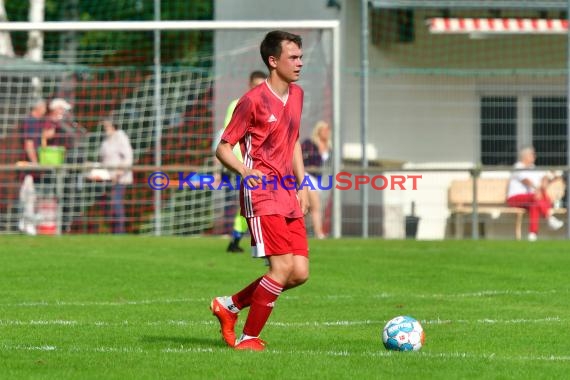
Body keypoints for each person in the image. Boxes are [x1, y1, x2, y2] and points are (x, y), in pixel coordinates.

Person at [211, 30, 309, 351]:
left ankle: (229, 306)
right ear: (273, 60)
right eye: (292, 57)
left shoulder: (297, 95)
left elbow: (292, 140)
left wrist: (302, 184)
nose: (299, 63)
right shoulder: (251, 101)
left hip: (287, 192)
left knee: (298, 273)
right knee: (281, 269)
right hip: (262, 193)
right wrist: (243, 170)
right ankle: (248, 338)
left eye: (300, 57)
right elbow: (223, 148)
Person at [223, 70, 268, 253]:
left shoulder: (267, 107)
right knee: (251, 203)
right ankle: (257, 243)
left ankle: (237, 241)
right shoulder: (238, 104)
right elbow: (229, 135)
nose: (259, 88)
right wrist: (239, 164)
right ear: (249, 85)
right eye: (255, 85)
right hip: (242, 164)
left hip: (259, 165)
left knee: (251, 204)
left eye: (261, 85)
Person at [506, 146, 564, 241]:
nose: (535, 156)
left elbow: (544, 177)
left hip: (531, 199)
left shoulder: (533, 168)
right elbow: (526, 181)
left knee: (535, 205)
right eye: (532, 154)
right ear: (525, 156)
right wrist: (537, 189)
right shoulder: (518, 167)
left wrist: (545, 180)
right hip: (514, 198)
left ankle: (532, 234)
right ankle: (549, 218)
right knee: (536, 198)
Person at [99, 120, 133, 234]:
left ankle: (120, 232)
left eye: (107, 126)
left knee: (116, 202)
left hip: (119, 178)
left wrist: (119, 172)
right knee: (108, 205)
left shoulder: (120, 137)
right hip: (108, 178)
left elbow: (128, 157)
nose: (105, 128)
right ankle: (113, 231)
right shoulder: (106, 139)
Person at [301, 120, 331, 239]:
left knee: (305, 207)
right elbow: (299, 158)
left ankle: (299, 233)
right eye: (324, 130)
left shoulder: (329, 147)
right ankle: (319, 233)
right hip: (307, 175)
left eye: (328, 130)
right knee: (316, 206)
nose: (327, 132)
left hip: (318, 178)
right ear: (318, 131)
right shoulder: (309, 143)